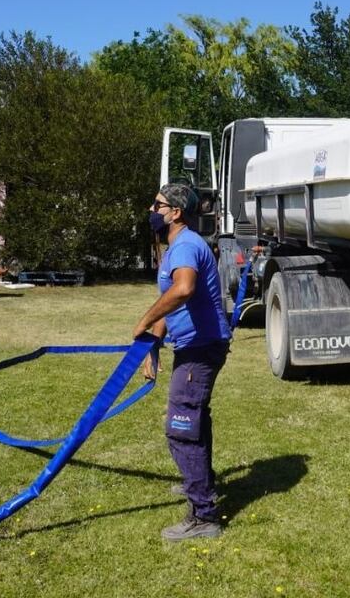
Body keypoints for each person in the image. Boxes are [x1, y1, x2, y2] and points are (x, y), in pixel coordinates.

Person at [132, 183, 232, 541]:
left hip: (202, 348)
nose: (151, 209)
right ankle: (201, 483)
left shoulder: (187, 245)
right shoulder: (177, 246)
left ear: (175, 212)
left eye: (157, 204)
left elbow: (184, 289)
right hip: (196, 346)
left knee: (181, 427)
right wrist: (152, 342)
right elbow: (172, 301)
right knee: (195, 421)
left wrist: (143, 320)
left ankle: (204, 514)